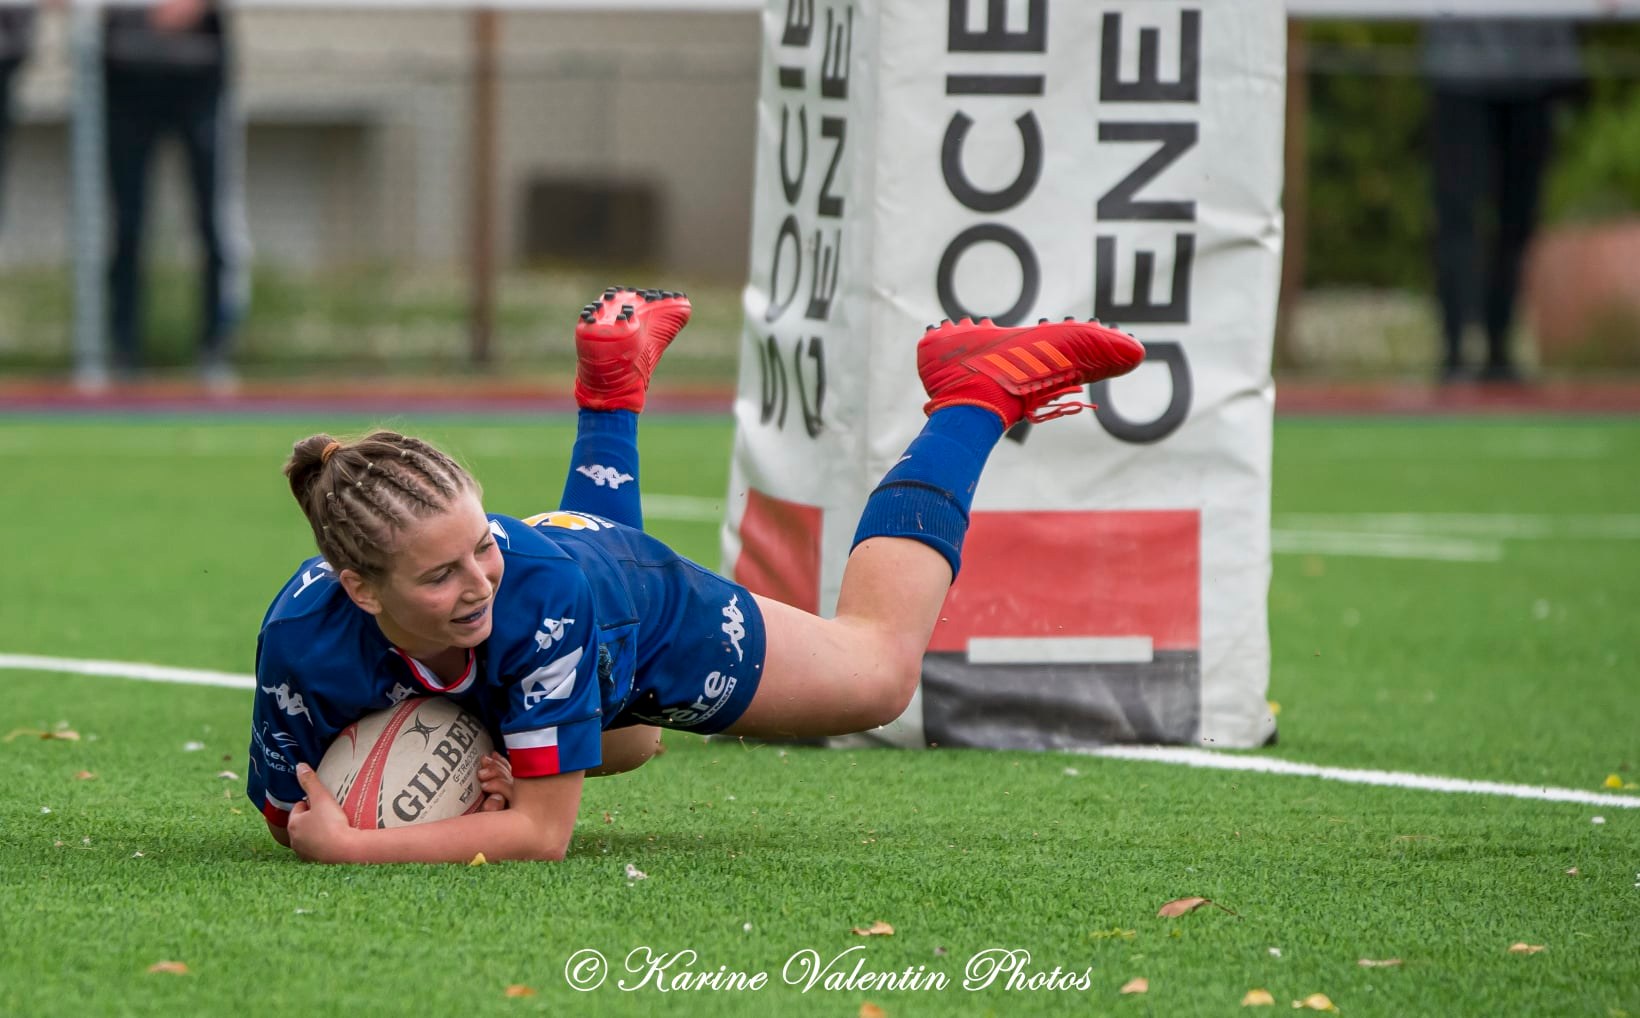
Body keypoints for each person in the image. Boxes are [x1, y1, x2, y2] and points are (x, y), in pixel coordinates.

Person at [246, 287, 1145, 864]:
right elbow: (292, 810)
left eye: (483, 541)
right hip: (572, 574)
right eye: (439, 574)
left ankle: (977, 390)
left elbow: (539, 833)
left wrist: (361, 850)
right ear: (358, 587)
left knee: (876, 675)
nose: (477, 579)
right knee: (628, 746)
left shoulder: (530, 594)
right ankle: (612, 381)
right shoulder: (299, 638)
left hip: (632, 600)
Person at [1423, 18, 1583, 384]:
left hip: (1537, 73)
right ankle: (1455, 350)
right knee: (1456, 216)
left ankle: (1499, 348)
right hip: (1458, 69)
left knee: (1519, 219)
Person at [103, 0, 249, 385]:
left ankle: (215, 343)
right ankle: (121, 346)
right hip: (125, 74)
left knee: (212, 219)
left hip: (197, 75)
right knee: (127, 222)